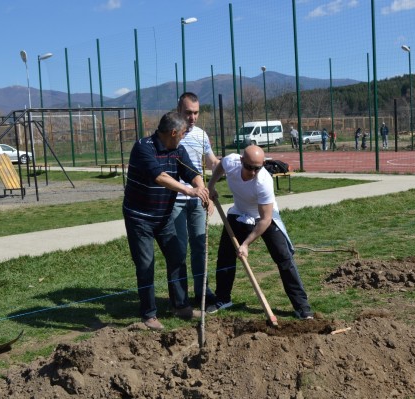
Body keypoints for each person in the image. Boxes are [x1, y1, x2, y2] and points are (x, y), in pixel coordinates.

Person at [123, 111, 210, 331]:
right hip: (139, 218)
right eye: (181, 134)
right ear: (173, 132)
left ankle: (180, 306)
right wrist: (189, 191)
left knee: (177, 257)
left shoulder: (177, 149)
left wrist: (200, 187)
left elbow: (191, 171)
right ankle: (149, 316)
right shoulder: (143, 148)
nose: (182, 138)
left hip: (163, 217)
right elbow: (160, 177)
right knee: (145, 264)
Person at [206, 145, 314, 319]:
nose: (253, 172)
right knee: (225, 256)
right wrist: (210, 186)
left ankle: (302, 307)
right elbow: (219, 166)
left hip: (265, 217)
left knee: (284, 258)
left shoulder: (263, 181)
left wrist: (246, 244)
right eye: (249, 167)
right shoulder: (231, 162)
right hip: (239, 213)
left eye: (258, 168)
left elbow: (265, 219)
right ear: (241, 161)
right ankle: (223, 298)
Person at [173, 92, 219, 311]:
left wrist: (232, 166)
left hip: (199, 199)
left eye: (196, 113)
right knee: (178, 248)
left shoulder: (201, 135)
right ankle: (180, 298)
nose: (192, 117)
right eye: (188, 112)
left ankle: (203, 292)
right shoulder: (172, 133)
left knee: (200, 245)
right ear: (179, 110)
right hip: (176, 199)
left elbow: (211, 162)